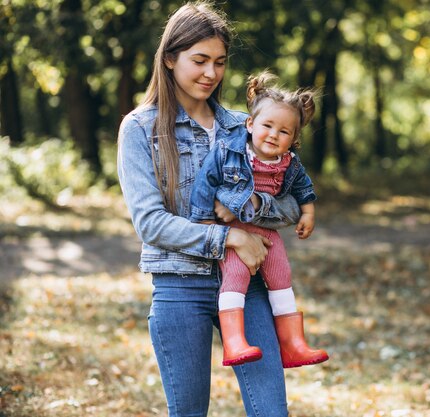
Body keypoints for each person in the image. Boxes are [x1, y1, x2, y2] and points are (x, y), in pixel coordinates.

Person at [117, 2, 303, 416]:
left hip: (247, 286)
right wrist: (231, 236)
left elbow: (293, 200)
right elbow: (150, 223)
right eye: (199, 60)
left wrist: (250, 206)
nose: (210, 73)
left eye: (219, 62)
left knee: (271, 410)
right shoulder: (140, 129)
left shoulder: (245, 125)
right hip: (179, 286)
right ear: (169, 58)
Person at [189, 71, 329, 369]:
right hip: (234, 232)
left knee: (282, 275)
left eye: (284, 132)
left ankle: (293, 344)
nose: (274, 135)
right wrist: (205, 222)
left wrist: (308, 212)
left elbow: (303, 188)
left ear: (293, 138)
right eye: (267, 126)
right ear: (250, 124)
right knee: (236, 277)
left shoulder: (289, 162)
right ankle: (235, 340)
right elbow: (205, 183)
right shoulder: (229, 151)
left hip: (267, 232)